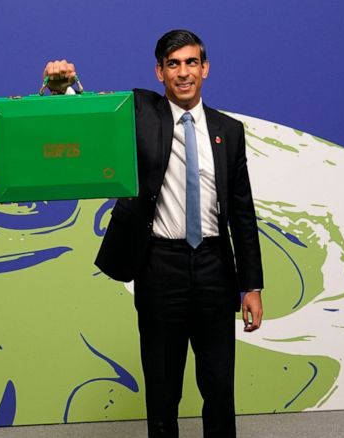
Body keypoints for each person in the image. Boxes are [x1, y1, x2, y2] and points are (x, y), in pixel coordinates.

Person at [43, 29, 263, 438]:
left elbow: (243, 214)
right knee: (163, 390)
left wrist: (251, 286)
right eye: (173, 64)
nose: (183, 72)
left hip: (216, 268)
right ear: (159, 72)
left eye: (191, 62)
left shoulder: (229, 130)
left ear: (205, 68)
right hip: (160, 268)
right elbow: (90, 115)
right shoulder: (140, 112)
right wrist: (63, 87)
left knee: (219, 387)